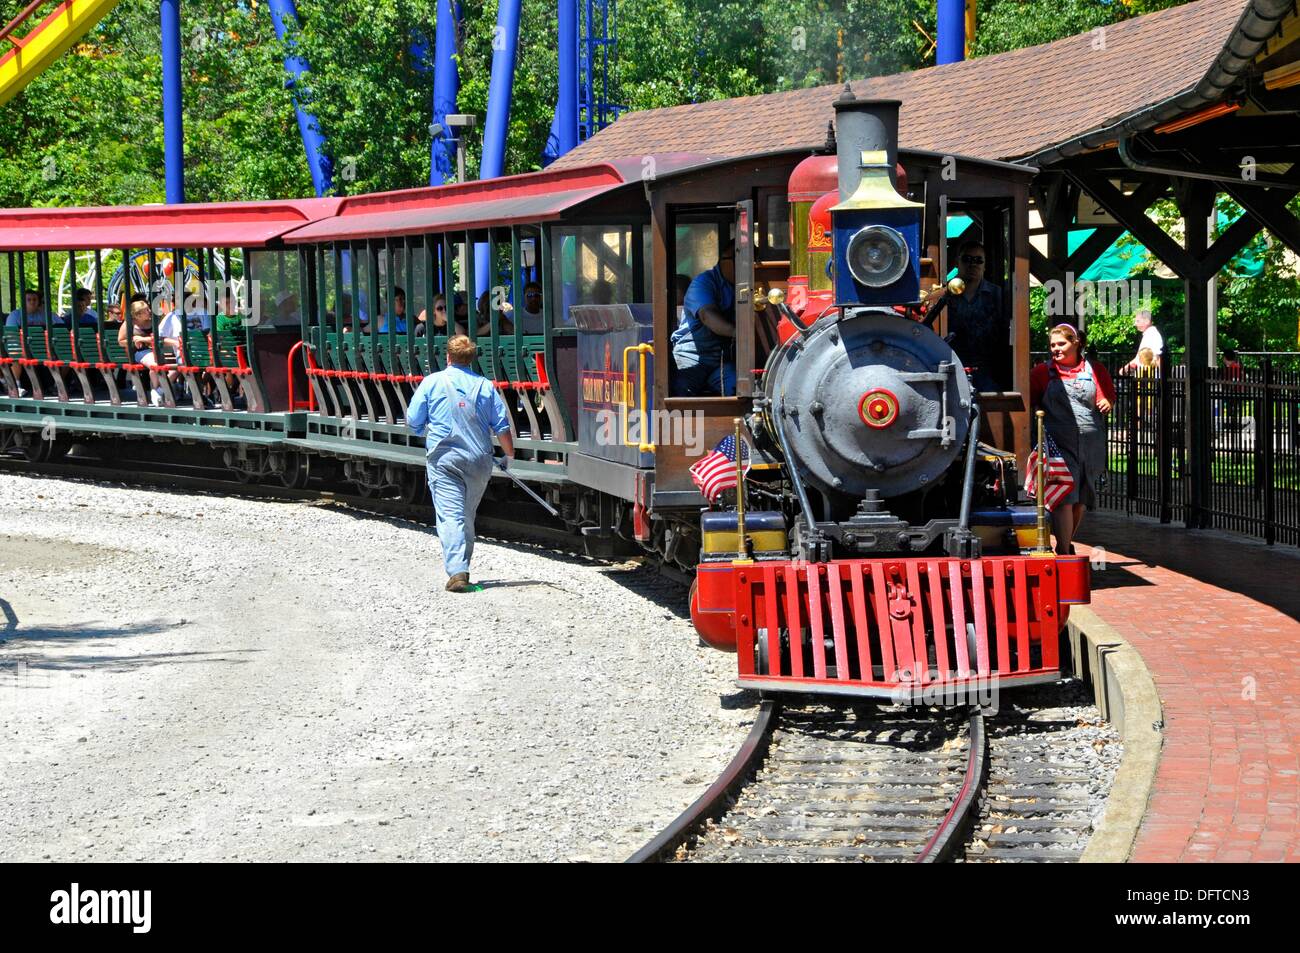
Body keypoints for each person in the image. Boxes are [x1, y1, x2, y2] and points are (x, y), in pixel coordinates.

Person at [405, 334, 515, 593]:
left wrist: (424, 430)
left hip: (444, 460)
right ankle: (461, 565)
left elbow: (413, 419)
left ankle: (457, 571)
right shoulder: (485, 386)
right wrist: (509, 455)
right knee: (466, 515)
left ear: (448, 357)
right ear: (471, 359)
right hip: (479, 461)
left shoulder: (432, 382)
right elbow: (501, 426)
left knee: (450, 515)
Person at [1029, 323, 1115, 556]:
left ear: (1076, 343)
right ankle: (1065, 550)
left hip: (1091, 443)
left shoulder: (1094, 370)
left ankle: (1066, 541)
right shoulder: (1041, 373)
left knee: (1081, 499)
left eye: (1061, 344)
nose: (1056, 349)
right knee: (1065, 496)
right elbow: (1031, 402)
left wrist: (1107, 402)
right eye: (1052, 345)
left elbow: (1107, 396)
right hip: (1059, 443)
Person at [921, 240, 1006, 392]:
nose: (973, 264)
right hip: (950, 366)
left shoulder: (997, 295)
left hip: (988, 370)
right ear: (957, 262)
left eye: (978, 260)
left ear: (985, 265)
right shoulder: (942, 295)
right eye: (967, 259)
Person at [670, 241, 736, 396]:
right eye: (739, 260)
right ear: (724, 261)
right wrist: (738, 333)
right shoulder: (703, 282)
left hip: (722, 361)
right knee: (680, 390)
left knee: (738, 387)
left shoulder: (746, 286)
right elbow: (707, 316)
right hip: (691, 357)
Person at [1123, 309, 1163, 374]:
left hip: (1150, 377)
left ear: (1147, 321)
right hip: (1145, 376)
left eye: (1137, 321)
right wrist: (1126, 368)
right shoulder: (1148, 334)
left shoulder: (1153, 335)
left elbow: (1157, 357)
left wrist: (1160, 380)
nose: (1135, 324)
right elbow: (1138, 357)